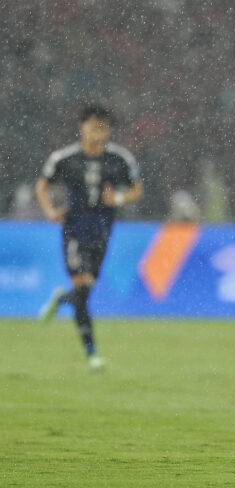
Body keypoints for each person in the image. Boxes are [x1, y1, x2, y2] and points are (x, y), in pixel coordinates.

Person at [35, 105, 143, 370]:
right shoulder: (65, 158)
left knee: (84, 292)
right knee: (83, 290)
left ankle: (62, 299)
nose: (98, 134)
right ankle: (92, 354)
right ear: (82, 127)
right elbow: (42, 185)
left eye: (104, 129)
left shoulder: (119, 159)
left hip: (102, 233)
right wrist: (50, 211)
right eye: (94, 128)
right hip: (73, 231)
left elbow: (137, 189)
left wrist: (117, 198)